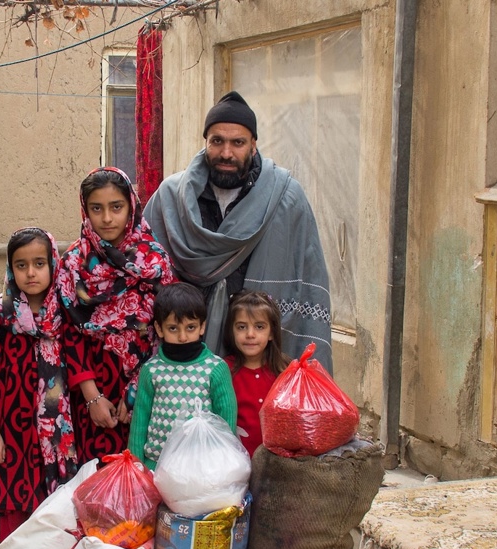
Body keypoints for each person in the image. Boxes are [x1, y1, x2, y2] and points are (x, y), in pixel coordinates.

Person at [143, 90, 334, 374]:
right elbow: (141, 275)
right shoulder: (170, 198)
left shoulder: (286, 198)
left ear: (254, 145)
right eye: (217, 141)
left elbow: (309, 277)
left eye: (238, 143)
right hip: (183, 359)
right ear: (205, 142)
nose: (227, 153)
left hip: (257, 357)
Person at [58, 166, 176, 463]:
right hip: (94, 393)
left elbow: (168, 328)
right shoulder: (73, 263)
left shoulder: (153, 260)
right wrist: (92, 396)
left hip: (149, 386)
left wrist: (139, 389)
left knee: (144, 480)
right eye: (97, 208)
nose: (107, 218)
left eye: (116, 207)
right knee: (95, 485)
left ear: (132, 207)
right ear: (85, 210)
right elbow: (68, 334)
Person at [0, 227, 78, 542]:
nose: (31, 273)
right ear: (10, 268)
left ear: (52, 264)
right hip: (12, 430)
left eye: (39, 263)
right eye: (21, 265)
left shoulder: (66, 313)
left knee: (59, 507)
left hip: (59, 430)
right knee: (15, 506)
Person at [128, 282, 237, 471]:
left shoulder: (216, 369)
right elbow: (139, 424)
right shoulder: (151, 370)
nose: (183, 337)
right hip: (156, 467)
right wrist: (136, 469)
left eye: (191, 327)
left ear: (202, 327)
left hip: (201, 469)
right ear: (159, 329)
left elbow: (226, 425)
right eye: (173, 329)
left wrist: (222, 467)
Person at [222, 289, 289, 457]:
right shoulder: (223, 370)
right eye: (242, 327)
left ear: (271, 332)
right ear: (232, 331)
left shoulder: (285, 370)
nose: (250, 334)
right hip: (236, 463)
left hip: (277, 464)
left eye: (259, 327)